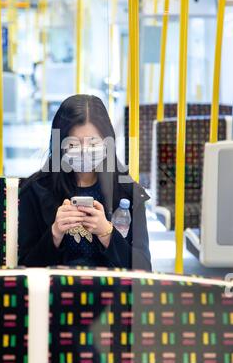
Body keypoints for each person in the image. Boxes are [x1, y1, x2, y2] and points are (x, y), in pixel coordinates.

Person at [18, 94, 151, 270]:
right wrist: (55, 233)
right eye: (73, 145)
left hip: (111, 292)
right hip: (55, 291)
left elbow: (143, 268)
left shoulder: (128, 193)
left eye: (93, 143)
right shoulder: (35, 191)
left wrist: (107, 233)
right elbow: (24, 268)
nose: (84, 152)